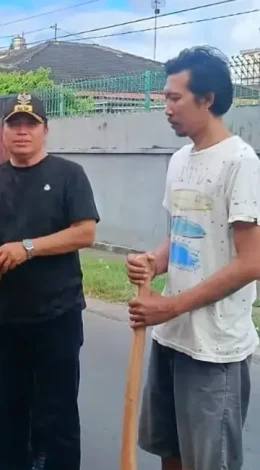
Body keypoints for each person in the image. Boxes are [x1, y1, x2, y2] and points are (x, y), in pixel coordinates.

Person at [0, 92, 99, 469]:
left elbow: (84, 233)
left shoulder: (68, 174)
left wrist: (28, 247)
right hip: (7, 317)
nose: (22, 132)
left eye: (30, 125)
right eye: (14, 125)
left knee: (57, 411)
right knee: (11, 411)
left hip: (59, 313)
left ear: (45, 131)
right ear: (4, 132)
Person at [125, 47, 260, 470]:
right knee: (172, 452)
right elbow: (182, 236)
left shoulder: (241, 163)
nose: (166, 107)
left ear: (208, 99)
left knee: (209, 462)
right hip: (172, 338)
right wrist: (154, 262)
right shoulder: (179, 160)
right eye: (165, 97)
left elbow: (251, 261)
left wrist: (169, 306)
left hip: (214, 348)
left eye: (174, 97)